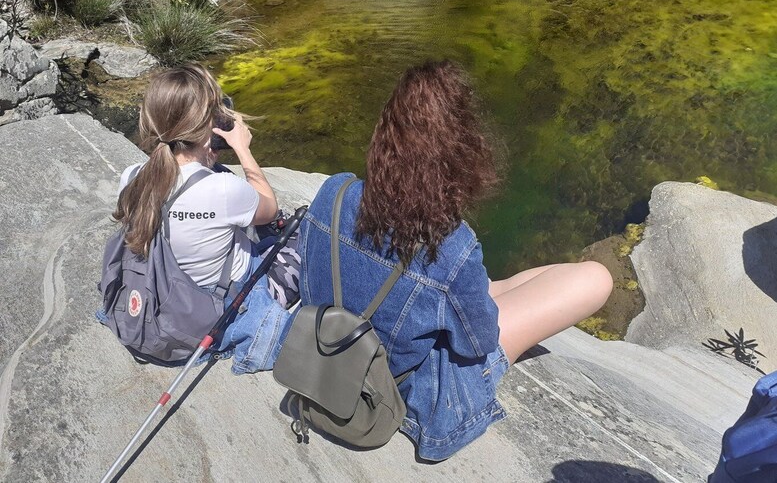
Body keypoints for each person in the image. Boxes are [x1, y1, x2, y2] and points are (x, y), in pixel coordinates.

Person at [297, 61, 613, 461]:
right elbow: (478, 341)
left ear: (385, 134)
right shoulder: (451, 244)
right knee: (596, 278)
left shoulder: (335, 191)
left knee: (491, 286)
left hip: (335, 347)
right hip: (413, 388)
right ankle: (473, 291)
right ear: (460, 149)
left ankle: (473, 291)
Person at [110, 63, 296, 372]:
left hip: (160, 290)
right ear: (208, 130)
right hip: (215, 302)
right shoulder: (224, 189)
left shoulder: (132, 177)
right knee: (299, 238)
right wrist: (242, 148)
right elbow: (269, 210)